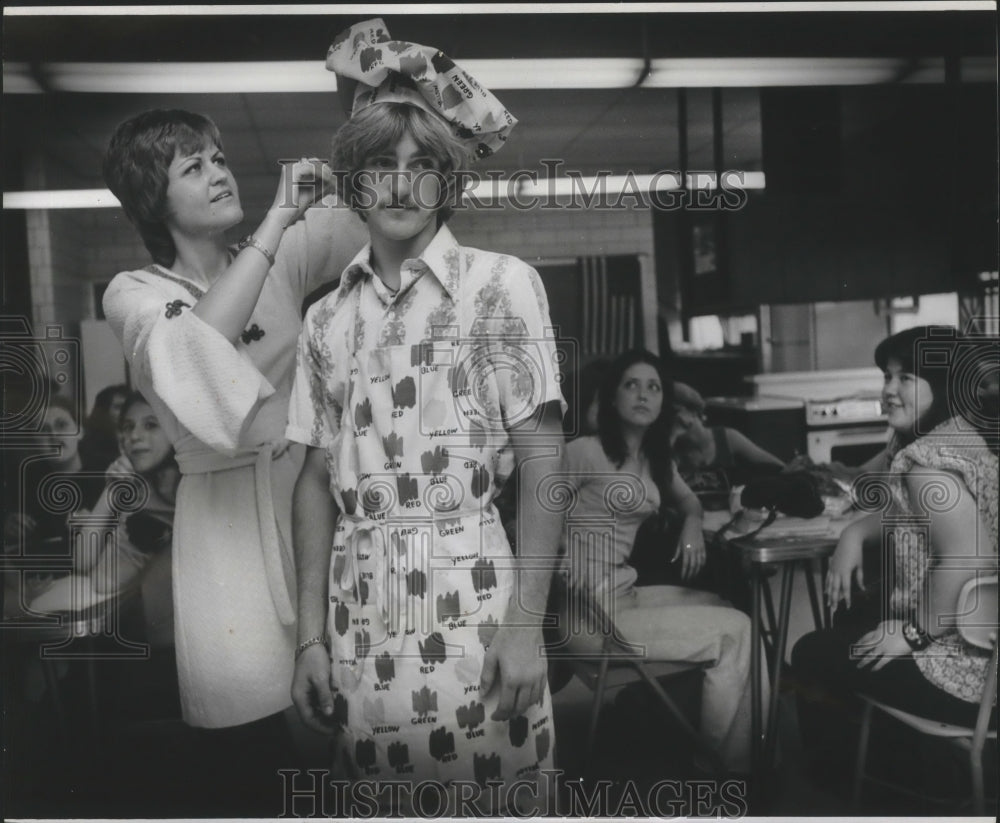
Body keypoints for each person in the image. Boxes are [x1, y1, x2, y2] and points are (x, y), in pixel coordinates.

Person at [287, 19, 565, 814]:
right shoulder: (324, 320)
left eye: (422, 167)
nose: (401, 186)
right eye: (381, 165)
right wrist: (310, 637)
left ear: (447, 182)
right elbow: (312, 478)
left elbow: (544, 458)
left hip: (474, 605)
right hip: (358, 616)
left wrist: (525, 624)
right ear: (354, 182)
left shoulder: (500, 287)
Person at [100, 105, 368, 807]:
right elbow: (197, 350)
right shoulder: (134, 292)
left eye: (218, 158)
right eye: (194, 167)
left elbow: (375, 204)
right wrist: (276, 224)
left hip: (306, 502)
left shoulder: (282, 255)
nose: (219, 172)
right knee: (253, 750)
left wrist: (361, 102)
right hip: (221, 527)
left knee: (345, 716)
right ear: (152, 201)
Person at [792, 326, 998, 785]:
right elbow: (918, 518)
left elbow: (969, 561)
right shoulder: (966, 439)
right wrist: (853, 534)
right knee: (853, 624)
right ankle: (907, 775)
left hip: (965, 675)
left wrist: (911, 634)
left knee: (809, 651)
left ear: (944, 383)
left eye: (905, 379)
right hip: (986, 658)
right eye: (888, 376)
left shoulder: (928, 461)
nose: (887, 390)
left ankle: (875, 786)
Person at [557, 348, 760, 774]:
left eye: (654, 387)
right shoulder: (584, 451)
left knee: (729, 610)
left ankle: (730, 744)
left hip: (623, 595)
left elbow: (689, 503)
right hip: (590, 616)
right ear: (612, 397)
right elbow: (532, 512)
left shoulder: (653, 460)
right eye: (631, 385)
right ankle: (725, 771)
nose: (643, 395)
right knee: (736, 631)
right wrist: (561, 554)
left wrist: (692, 522)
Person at [670, 381, 784, 504]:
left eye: (673, 413)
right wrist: (671, 438)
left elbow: (779, 469)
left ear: (692, 412)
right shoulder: (669, 448)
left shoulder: (728, 438)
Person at [78, 383, 130, 472]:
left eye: (127, 406)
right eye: (118, 407)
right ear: (104, 411)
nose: (125, 411)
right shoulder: (91, 444)